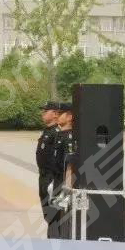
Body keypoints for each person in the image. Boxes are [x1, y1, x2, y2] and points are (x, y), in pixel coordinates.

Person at [49, 102, 76, 239]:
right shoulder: (60, 134)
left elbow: (70, 165)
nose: (57, 116)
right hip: (56, 180)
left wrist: (67, 190)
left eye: (60, 114)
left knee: (63, 221)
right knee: (54, 219)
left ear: (70, 116)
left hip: (63, 183)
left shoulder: (69, 137)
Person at [36, 101, 60, 233]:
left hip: (51, 177)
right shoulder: (47, 131)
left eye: (46, 111)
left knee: (53, 214)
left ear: (55, 114)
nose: (43, 114)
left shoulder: (56, 133)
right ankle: (52, 235)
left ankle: (54, 237)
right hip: (43, 176)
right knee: (47, 212)